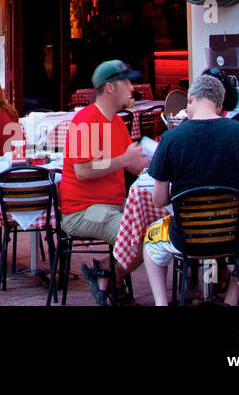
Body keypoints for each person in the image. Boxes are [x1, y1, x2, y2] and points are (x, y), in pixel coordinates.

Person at [141, 74, 239, 306]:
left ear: (190, 98)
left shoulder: (171, 138)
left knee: (150, 241)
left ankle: (162, 304)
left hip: (184, 239)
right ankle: (231, 301)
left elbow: (159, 200)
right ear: (220, 105)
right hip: (235, 237)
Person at [58, 60, 149, 305]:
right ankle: (113, 283)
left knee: (155, 229)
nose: (132, 88)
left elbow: (131, 164)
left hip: (111, 206)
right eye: (127, 82)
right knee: (138, 237)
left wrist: (152, 160)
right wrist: (123, 159)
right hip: (83, 211)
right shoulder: (85, 121)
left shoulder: (117, 122)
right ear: (110, 87)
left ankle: (107, 272)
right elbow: (83, 170)